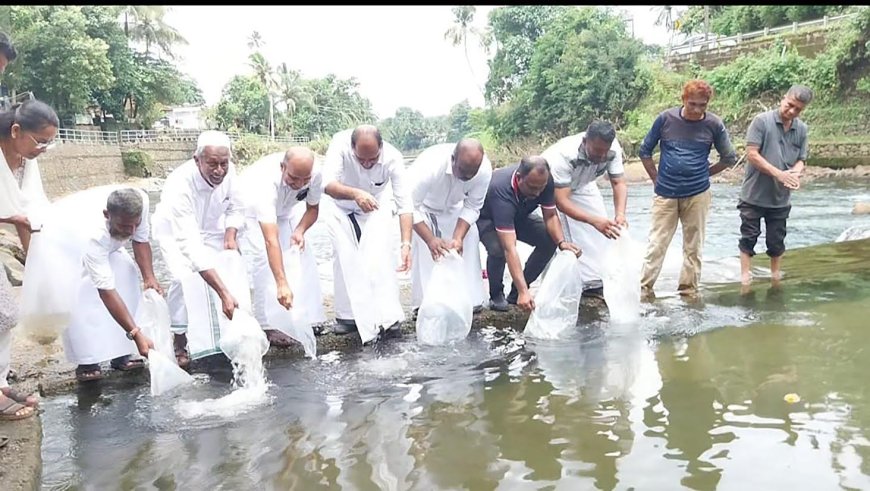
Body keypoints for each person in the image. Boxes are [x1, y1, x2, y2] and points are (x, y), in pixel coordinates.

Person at [638, 79, 738, 298]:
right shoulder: (665, 119)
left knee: (693, 246)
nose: (696, 109)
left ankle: (688, 291)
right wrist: (656, 178)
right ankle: (644, 290)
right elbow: (644, 151)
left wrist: (704, 174)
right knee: (657, 244)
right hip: (665, 193)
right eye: (692, 104)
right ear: (683, 100)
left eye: (702, 105)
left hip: (698, 193)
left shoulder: (714, 124)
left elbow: (729, 157)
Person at [151, 130, 244, 365]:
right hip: (175, 232)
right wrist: (223, 293)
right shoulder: (179, 184)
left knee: (229, 274)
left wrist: (231, 234)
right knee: (185, 280)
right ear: (197, 160)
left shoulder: (230, 173)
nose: (219, 170)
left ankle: (222, 339)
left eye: (224, 163)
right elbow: (190, 244)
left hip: (213, 230)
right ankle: (180, 340)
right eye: (213, 164)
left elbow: (236, 207)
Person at [54, 187, 160, 382]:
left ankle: (121, 353)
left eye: (135, 224)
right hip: (68, 246)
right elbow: (106, 291)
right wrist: (136, 333)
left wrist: (149, 277)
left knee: (127, 277)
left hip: (108, 243)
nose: (131, 231)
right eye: (125, 226)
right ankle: (87, 360)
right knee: (82, 296)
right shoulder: (92, 236)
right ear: (107, 215)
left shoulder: (140, 202)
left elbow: (140, 240)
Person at [322, 125, 412, 338]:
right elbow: (326, 185)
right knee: (345, 256)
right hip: (341, 204)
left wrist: (406, 243)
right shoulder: (339, 146)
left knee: (381, 256)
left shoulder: (393, 158)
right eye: (361, 160)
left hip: (375, 205)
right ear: (352, 148)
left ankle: (387, 315)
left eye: (372, 159)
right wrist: (355, 194)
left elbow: (404, 203)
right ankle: (347, 316)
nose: (367, 164)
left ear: (381, 147)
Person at [0, 99, 56, 420]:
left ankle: (1, 382)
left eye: (50, 143)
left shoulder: (26, 160)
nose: (43, 149)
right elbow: (18, 219)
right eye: (40, 141)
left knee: (6, 313)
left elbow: (29, 215)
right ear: (17, 130)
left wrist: (37, 268)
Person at [238, 147, 326, 342]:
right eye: (293, 178)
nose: (299, 184)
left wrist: (300, 230)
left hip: (286, 210)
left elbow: (312, 208)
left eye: (305, 180)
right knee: (264, 263)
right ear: (282, 168)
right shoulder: (265, 183)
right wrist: (281, 282)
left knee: (301, 254)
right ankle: (267, 325)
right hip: (251, 213)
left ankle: (307, 317)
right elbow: (271, 239)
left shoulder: (316, 174)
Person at [477, 156, 582, 312]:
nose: (537, 192)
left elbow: (551, 216)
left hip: (519, 215)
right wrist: (524, 293)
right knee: (498, 249)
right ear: (519, 178)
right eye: (533, 188)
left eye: (541, 188)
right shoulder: (501, 189)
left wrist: (561, 242)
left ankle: (516, 293)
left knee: (549, 240)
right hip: (488, 218)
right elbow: (509, 248)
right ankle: (496, 294)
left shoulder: (543, 180)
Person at [543, 120, 628, 300]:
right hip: (553, 189)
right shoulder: (563, 156)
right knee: (565, 239)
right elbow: (561, 202)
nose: (601, 155)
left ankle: (593, 281)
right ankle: (564, 286)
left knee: (603, 231)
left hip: (584, 184)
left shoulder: (613, 149)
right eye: (597, 151)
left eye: (605, 151)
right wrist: (593, 221)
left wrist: (620, 214)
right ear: (584, 142)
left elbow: (618, 182)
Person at [738, 85, 813, 286]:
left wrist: (796, 173)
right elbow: (752, 154)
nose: (792, 111)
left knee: (777, 239)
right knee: (749, 235)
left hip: (780, 197)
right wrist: (779, 174)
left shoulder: (802, 129)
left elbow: (801, 160)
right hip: (753, 194)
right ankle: (745, 275)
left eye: (798, 109)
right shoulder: (761, 122)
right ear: (783, 99)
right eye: (790, 105)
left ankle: (775, 275)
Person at [408, 139, 492, 313]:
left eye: (472, 172)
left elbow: (473, 206)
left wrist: (458, 237)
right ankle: (426, 306)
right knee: (427, 253)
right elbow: (408, 207)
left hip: (456, 208)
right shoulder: (430, 166)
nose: (468, 176)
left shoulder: (483, 170)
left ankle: (471, 299)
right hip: (424, 209)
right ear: (453, 159)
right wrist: (430, 239)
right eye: (463, 170)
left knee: (470, 239)